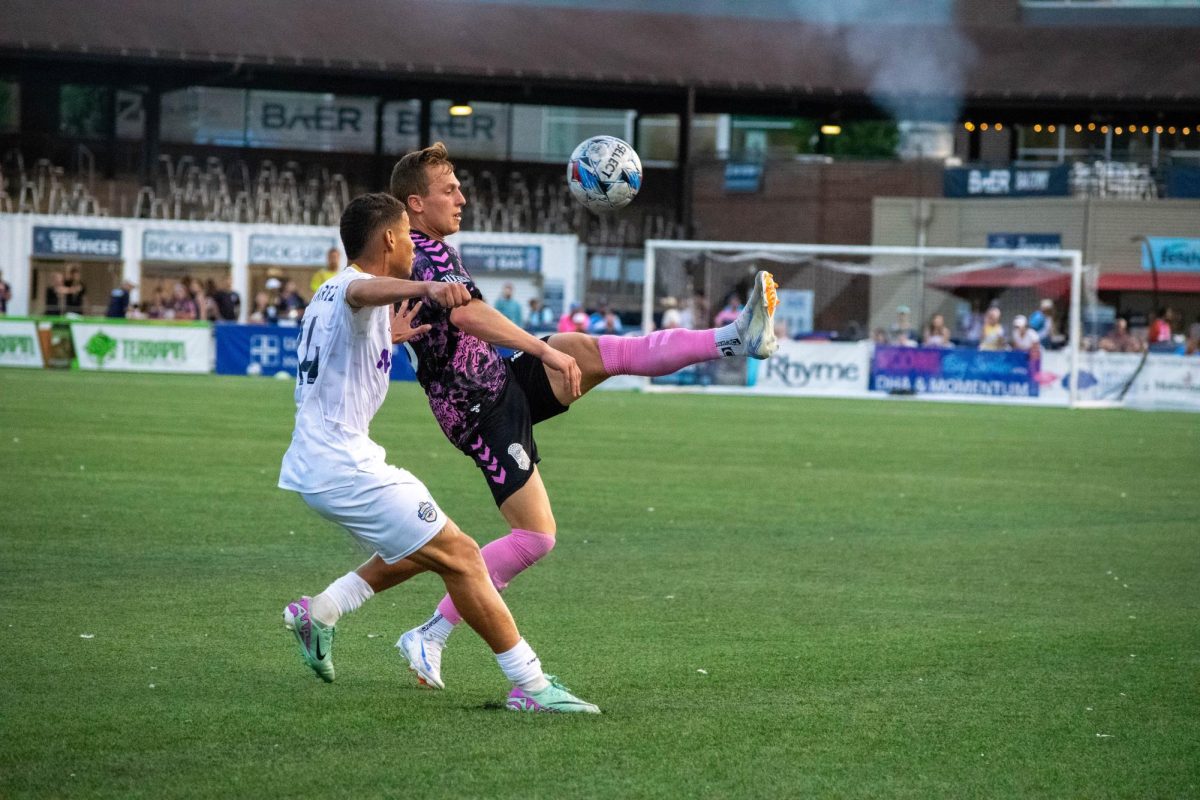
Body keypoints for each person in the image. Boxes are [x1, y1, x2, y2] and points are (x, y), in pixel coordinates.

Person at [384, 142, 779, 690]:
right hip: (478, 411)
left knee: (608, 353)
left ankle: (734, 339)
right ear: (416, 204)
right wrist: (544, 350)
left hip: (500, 380)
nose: (462, 198)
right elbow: (470, 314)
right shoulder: (422, 255)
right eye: (449, 190)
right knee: (535, 538)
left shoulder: (431, 249)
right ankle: (429, 633)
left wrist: (543, 352)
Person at [279, 192, 598, 714]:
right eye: (407, 235)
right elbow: (363, 289)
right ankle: (532, 686)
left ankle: (322, 610)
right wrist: (426, 285)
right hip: (343, 466)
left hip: (327, 464)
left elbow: (355, 321)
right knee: (463, 557)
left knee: (424, 549)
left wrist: (391, 335)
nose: (414, 245)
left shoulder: (334, 301)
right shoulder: (350, 287)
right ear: (389, 239)